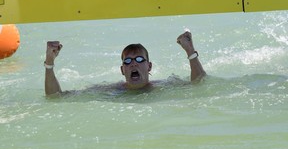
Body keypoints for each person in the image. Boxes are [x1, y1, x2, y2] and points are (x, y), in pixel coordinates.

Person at [44, 31, 206, 96]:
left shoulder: (164, 86)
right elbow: (56, 97)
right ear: (122, 70)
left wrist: (190, 51)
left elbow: (200, 83)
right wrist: (49, 63)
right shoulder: (111, 91)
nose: (133, 64)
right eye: (128, 61)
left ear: (149, 66)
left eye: (139, 60)